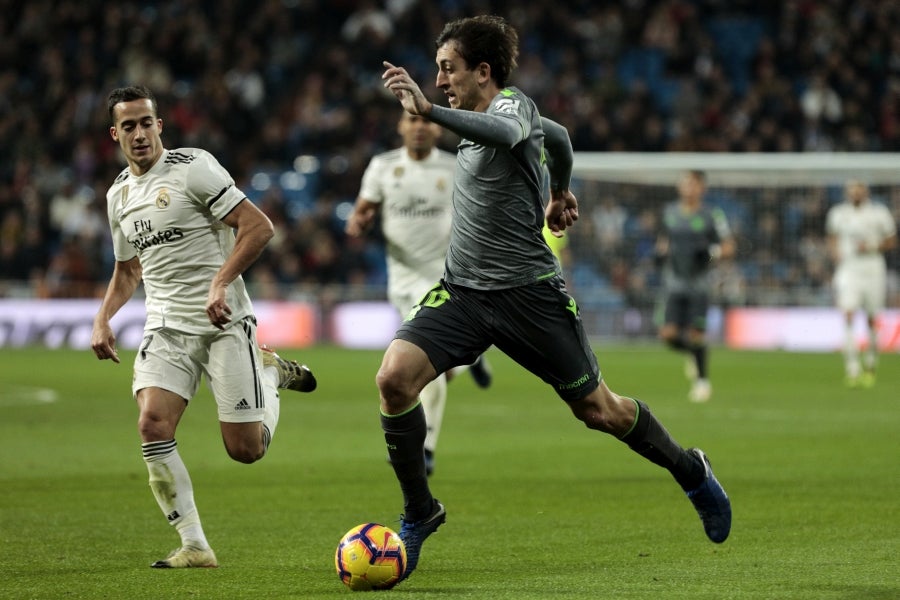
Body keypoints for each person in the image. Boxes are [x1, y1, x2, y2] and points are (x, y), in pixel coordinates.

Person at [378, 15, 732, 583]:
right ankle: (421, 511)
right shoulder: (477, 120)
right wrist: (562, 188)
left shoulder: (511, 106)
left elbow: (514, 134)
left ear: (482, 72)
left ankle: (689, 469)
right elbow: (560, 139)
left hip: (528, 297)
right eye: (438, 72)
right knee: (394, 380)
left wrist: (428, 111)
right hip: (465, 292)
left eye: (449, 69)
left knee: (600, 411)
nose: (440, 80)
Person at [90, 85, 317, 569]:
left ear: (160, 125)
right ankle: (194, 544)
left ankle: (270, 373)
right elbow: (128, 270)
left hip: (223, 321)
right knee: (152, 423)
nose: (139, 133)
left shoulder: (194, 167)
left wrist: (221, 282)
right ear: (115, 134)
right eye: (128, 126)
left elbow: (258, 226)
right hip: (166, 327)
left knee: (245, 450)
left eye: (146, 122)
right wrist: (102, 319)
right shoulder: (118, 195)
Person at [345, 110, 491, 477]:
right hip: (404, 281)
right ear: (401, 127)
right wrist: (359, 220)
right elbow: (363, 210)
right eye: (412, 121)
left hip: (450, 277)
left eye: (425, 121)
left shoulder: (455, 167)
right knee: (434, 366)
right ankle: (471, 358)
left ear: (437, 127)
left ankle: (425, 447)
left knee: (426, 366)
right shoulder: (383, 166)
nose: (420, 127)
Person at [655, 170, 735, 403]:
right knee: (668, 334)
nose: (688, 187)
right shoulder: (669, 212)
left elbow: (729, 246)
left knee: (696, 335)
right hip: (674, 283)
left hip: (699, 284)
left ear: (702, 188)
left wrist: (712, 252)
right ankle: (692, 353)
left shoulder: (712, 215)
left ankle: (702, 382)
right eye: (685, 183)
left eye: (693, 183)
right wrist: (659, 253)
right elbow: (663, 241)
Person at [825, 179, 897, 388]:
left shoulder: (879, 213)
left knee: (872, 319)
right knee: (847, 313)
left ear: (865, 191)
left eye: (859, 188)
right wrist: (835, 253)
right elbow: (832, 237)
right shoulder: (838, 213)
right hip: (849, 269)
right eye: (851, 188)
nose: (855, 192)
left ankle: (871, 364)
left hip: (873, 268)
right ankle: (852, 368)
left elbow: (892, 240)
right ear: (847, 192)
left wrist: (873, 246)